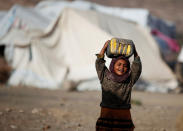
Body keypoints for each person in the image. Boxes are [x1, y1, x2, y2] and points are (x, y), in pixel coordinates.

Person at [95, 40, 142, 131]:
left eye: (125, 66)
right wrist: (104, 48)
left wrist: (134, 51)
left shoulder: (129, 80)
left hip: (123, 116)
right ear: (113, 65)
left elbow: (137, 68)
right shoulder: (104, 77)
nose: (121, 68)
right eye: (119, 64)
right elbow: (99, 63)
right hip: (106, 115)